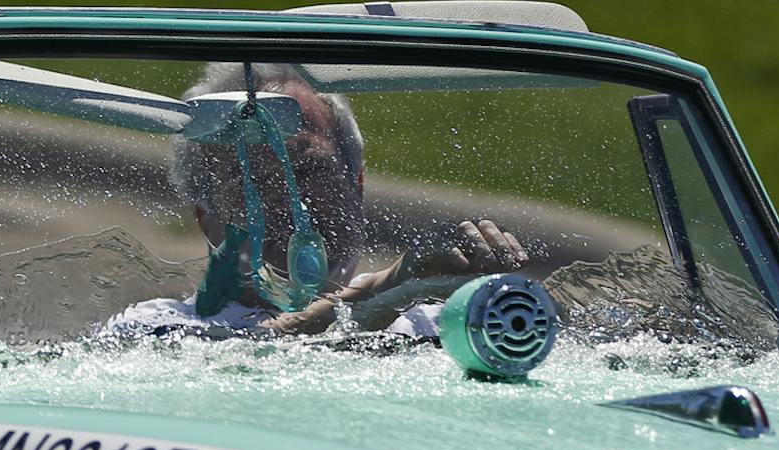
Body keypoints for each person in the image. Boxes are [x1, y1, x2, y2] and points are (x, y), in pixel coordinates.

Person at [105, 63, 526, 339]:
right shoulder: (156, 330)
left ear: (356, 185)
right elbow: (247, 360)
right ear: (205, 218)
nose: (286, 201)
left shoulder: (447, 329)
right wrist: (385, 289)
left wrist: (511, 303)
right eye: (250, 183)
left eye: (308, 171)